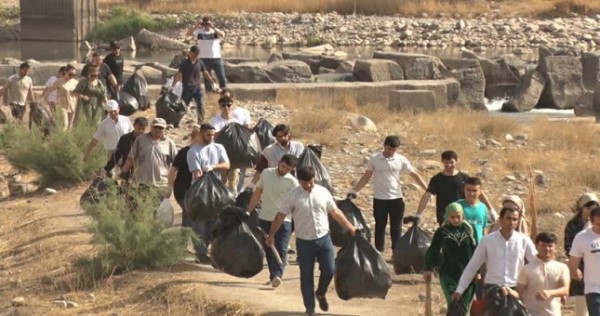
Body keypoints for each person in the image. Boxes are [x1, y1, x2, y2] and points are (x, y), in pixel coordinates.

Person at [266, 165, 357, 316]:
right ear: (299, 180)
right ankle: (310, 308)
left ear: (314, 178)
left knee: (329, 269)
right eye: (305, 182)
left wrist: (350, 227)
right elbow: (280, 216)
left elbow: (335, 211)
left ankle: (320, 292)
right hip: (304, 242)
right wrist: (271, 236)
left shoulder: (323, 192)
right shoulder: (292, 195)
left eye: (311, 181)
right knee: (306, 275)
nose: (308, 185)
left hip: (324, 238)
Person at [347, 135, 427, 252]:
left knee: (396, 227)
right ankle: (378, 252)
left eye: (394, 150)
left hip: (396, 198)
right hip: (379, 199)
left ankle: (397, 253)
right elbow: (366, 176)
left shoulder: (401, 159)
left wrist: (426, 188)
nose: (391, 152)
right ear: (384, 146)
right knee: (380, 226)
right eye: (389, 149)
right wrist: (354, 190)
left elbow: (413, 174)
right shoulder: (374, 159)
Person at [452, 207, 537, 308]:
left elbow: (536, 264)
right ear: (501, 220)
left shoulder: (524, 240)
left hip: (516, 290)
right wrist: (460, 289)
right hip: (492, 289)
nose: (511, 222)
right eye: (508, 218)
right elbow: (473, 265)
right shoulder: (487, 240)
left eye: (515, 219)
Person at [246, 154, 299, 288]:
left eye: (288, 169)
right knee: (269, 248)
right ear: (280, 162)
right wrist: (248, 210)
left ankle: (277, 275)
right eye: (283, 167)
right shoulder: (266, 173)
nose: (284, 170)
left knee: (281, 247)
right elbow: (258, 192)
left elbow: (296, 203)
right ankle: (273, 275)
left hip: (284, 220)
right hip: (265, 217)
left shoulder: (293, 182)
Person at [186, 123, 230, 263]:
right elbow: (197, 174)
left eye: (213, 134)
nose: (211, 137)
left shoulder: (218, 147)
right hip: (200, 192)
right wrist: (206, 172)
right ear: (201, 134)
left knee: (217, 222)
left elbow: (227, 164)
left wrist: (213, 167)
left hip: (217, 192)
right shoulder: (194, 152)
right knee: (200, 223)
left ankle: (215, 251)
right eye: (208, 135)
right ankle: (200, 252)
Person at [414, 150, 496, 226]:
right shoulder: (437, 179)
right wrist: (418, 214)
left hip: (463, 215)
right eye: (446, 162)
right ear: (442, 162)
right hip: (445, 217)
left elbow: (479, 193)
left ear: (457, 161)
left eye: (451, 162)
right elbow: (427, 195)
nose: (449, 165)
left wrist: (491, 209)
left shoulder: (464, 178)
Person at [424, 202, 477, 314]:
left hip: (468, 274)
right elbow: (433, 249)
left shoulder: (469, 230)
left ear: (463, 215)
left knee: (465, 307)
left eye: (458, 216)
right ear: (447, 216)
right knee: (453, 303)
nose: (456, 220)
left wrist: (478, 271)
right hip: (448, 274)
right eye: (452, 217)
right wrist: (429, 267)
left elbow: (476, 251)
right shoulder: (442, 231)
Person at [501, 232, 570, 316]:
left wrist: (550, 293)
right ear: (536, 246)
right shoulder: (527, 269)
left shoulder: (562, 267)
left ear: (555, 248)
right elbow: (519, 293)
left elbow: (565, 289)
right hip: (531, 313)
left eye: (550, 246)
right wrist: (509, 291)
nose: (547, 249)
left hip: (553, 313)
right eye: (543, 245)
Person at [566, 193, 600, 316]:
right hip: (586, 279)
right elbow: (570, 251)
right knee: (582, 310)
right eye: (587, 206)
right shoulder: (577, 230)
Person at [120, 118, 178, 190]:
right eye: (155, 127)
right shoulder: (140, 140)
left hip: (161, 184)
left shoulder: (169, 143)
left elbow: (176, 164)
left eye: (161, 128)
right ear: (151, 127)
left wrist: (171, 185)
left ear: (164, 129)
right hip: (142, 182)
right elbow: (131, 158)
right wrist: (123, 172)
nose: (158, 129)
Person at [171, 45, 215, 124]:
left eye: (197, 54)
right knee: (183, 106)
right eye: (194, 54)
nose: (195, 56)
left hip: (198, 89)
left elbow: (205, 72)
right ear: (190, 53)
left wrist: (211, 80)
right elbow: (178, 74)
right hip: (187, 89)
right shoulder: (184, 63)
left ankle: (200, 122)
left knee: (201, 105)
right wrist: (173, 85)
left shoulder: (200, 62)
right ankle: (176, 122)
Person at [166, 127, 200, 229]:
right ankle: (184, 241)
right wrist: (169, 188)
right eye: (197, 140)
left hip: (197, 191)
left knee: (191, 216)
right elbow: (172, 170)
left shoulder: (203, 153)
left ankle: (187, 240)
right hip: (182, 190)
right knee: (188, 213)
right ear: (192, 138)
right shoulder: (184, 152)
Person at [221, 89, 251, 192]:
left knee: (238, 177)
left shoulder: (243, 112)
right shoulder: (220, 115)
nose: (226, 105)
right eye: (222, 100)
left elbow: (247, 129)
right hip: (224, 151)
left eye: (228, 101)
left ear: (233, 99)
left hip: (239, 149)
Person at [211, 95, 243, 192]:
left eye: (229, 105)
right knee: (221, 184)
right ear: (220, 107)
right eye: (223, 105)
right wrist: (226, 130)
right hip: (219, 157)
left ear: (232, 106)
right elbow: (214, 136)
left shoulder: (237, 122)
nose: (226, 108)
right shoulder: (215, 121)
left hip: (234, 158)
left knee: (233, 185)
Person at [189, 16, 227, 93]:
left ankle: (224, 92)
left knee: (221, 77)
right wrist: (196, 25)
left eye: (207, 24)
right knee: (207, 79)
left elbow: (222, 34)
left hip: (216, 58)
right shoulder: (199, 32)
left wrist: (213, 26)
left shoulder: (214, 32)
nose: (206, 25)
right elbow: (188, 33)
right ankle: (209, 94)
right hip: (204, 58)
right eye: (204, 23)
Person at [454, 177, 495, 243]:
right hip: (460, 247)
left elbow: (483, 230)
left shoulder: (483, 208)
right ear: (464, 190)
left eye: (474, 190)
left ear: (480, 192)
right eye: (468, 190)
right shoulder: (456, 206)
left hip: (478, 248)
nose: (471, 193)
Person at [41, 64, 78, 129]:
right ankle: (61, 137)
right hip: (62, 106)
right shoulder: (59, 81)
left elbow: (78, 93)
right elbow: (49, 90)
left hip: (72, 106)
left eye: (73, 75)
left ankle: (67, 138)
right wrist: (45, 101)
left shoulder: (75, 82)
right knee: (64, 125)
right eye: (70, 74)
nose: (71, 76)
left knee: (70, 126)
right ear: (66, 72)